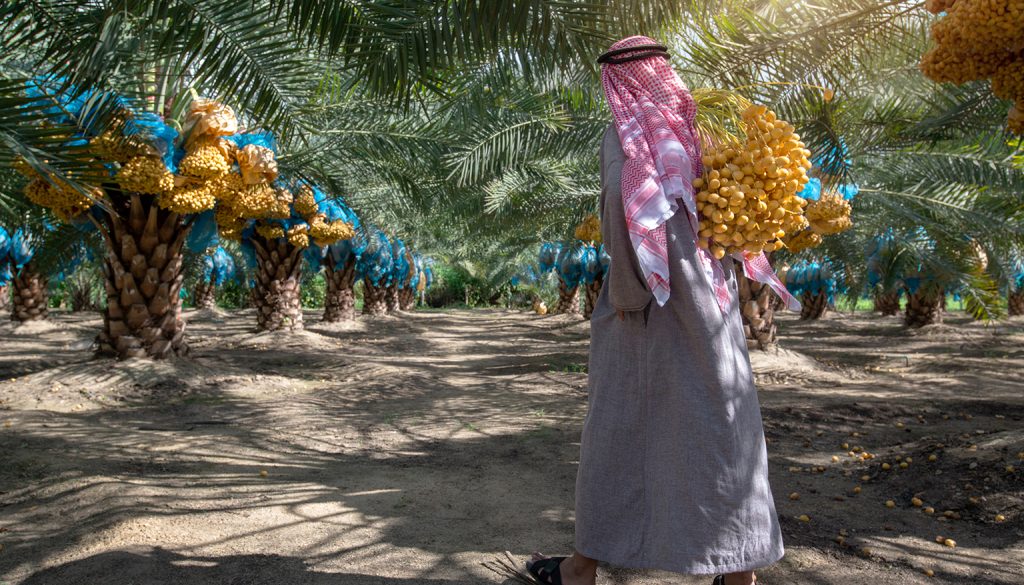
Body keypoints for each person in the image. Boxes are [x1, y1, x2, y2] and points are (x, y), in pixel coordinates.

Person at [527, 36, 787, 585]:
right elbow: (735, 216)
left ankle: (580, 569)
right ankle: (739, 573)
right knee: (721, 426)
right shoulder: (702, 129)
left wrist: (624, 300)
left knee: (621, 431)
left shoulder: (625, 136)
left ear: (617, 81)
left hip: (649, 305)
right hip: (711, 305)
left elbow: (623, 222)